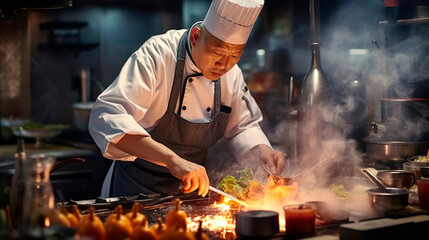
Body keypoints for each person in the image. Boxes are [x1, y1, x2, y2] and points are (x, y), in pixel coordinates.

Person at [89, 0, 286, 198]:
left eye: (235, 56)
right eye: (218, 53)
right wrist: (172, 160)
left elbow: (243, 126)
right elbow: (108, 115)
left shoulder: (231, 73)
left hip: (191, 193)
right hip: (135, 189)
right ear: (195, 36)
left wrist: (263, 152)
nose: (224, 65)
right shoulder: (158, 54)